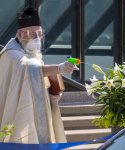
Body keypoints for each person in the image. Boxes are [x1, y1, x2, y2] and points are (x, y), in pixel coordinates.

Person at [0, 6, 77, 144]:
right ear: (20, 34)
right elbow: (30, 69)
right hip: (20, 111)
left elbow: (39, 76)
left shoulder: (31, 54)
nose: (37, 39)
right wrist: (59, 68)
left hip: (36, 113)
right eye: (32, 35)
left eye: (39, 34)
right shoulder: (10, 53)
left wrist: (52, 94)